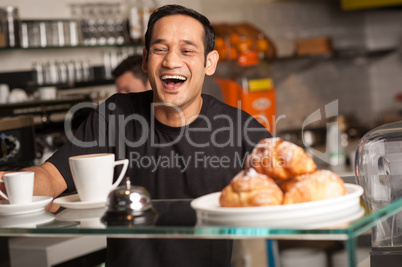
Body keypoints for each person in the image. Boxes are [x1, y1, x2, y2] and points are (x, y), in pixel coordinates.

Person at [0, 4, 271, 267]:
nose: (171, 61)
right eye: (159, 49)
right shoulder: (115, 114)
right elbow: (51, 177)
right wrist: (9, 183)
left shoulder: (237, 127)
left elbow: (289, 186)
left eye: (187, 50)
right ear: (145, 60)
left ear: (209, 62)